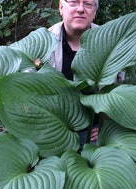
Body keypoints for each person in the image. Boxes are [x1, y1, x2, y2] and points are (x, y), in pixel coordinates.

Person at [49, 0, 99, 145]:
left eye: (88, 4)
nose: (81, 9)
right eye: (74, 2)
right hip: (54, 129)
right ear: (61, 7)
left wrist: (107, 126)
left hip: (95, 131)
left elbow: (120, 86)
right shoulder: (44, 41)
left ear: (94, 12)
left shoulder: (111, 41)